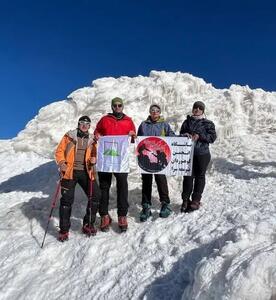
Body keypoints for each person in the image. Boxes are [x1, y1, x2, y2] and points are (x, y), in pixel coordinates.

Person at [55, 116, 101, 241]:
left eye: (87, 123)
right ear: (78, 124)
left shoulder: (92, 140)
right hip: (69, 172)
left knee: (95, 196)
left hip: (86, 172)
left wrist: (94, 159)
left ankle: (88, 224)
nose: (85, 125)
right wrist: (62, 163)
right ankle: (64, 230)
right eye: (82, 123)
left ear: (90, 126)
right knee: (66, 201)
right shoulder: (69, 136)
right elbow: (59, 151)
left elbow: (94, 154)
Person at [94, 97, 136, 232]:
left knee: (122, 186)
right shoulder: (104, 119)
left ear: (122, 106)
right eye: (115, 105)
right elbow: (97, 131)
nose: (117, 107)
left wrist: (132, 135)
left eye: (119, 105)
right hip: (106, 159)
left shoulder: (128, 121)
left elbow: (133, 138)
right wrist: (97, 135)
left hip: (121, 160)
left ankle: (122, 215)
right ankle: (104, 215)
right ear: (112, 107)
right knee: (104, 187)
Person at [137, 103, 175, 222]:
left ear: (159, 112)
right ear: (149, 112)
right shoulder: (143, 125)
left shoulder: (164, 124)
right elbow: (139, 139)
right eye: (152, 110)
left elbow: (172, 136)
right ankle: (146, 205)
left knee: (160, 179)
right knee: (146, 181)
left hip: (160, 157)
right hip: (146, 158)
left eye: (157, 110)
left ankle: (165, 204)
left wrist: (184, 137)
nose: (154, 112)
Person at [180, 101, 216, 213]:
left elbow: (212, 138)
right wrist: (184, 135)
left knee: (200, 176)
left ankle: (196, 200)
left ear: (203, 111)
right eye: (195, 107)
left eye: (200, 108)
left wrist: (200, 136)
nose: (197, 109)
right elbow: (180, 134)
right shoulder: (186, 122)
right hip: (188, 153)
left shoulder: (208, 123)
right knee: (188, 176)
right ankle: (185, 200)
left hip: (202, 153)